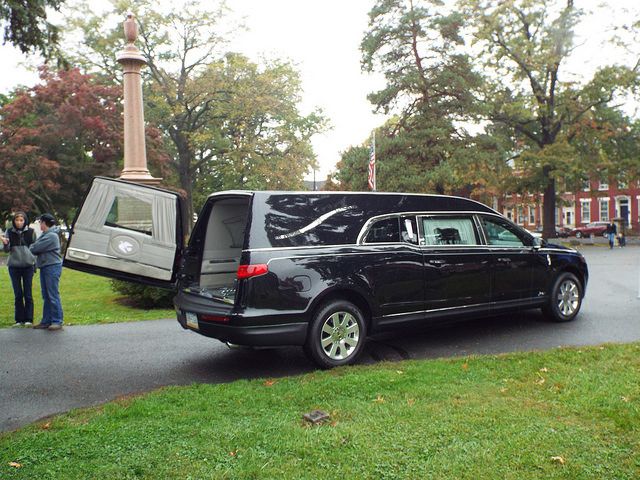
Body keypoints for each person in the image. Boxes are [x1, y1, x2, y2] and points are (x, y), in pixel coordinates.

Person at [29, 213, 63, 330]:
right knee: (46, 295)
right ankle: (46, 321)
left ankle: (57, 321)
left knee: (53, 294)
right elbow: (34, 247)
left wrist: (34, 246)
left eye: (40, 222)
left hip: (52, 267)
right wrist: (34, 246)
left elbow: (34, 248)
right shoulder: (46, 234)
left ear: (44, 223)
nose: (39, 225)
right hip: (45, 266)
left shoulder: (51, 236)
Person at [2, 212, 36, 326]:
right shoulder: (9, 232)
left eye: (21, 220)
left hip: (28, 267)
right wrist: (6, 244)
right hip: (14, 267)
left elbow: (35, 249)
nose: (19, 222)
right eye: (17, 220)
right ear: (14, 221)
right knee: (18, 294)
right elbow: (6, 250)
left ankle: (29, 319)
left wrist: (34, 264)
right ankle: (19, 319)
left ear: (25, 221)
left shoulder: (31, 232)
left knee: (28, 293)